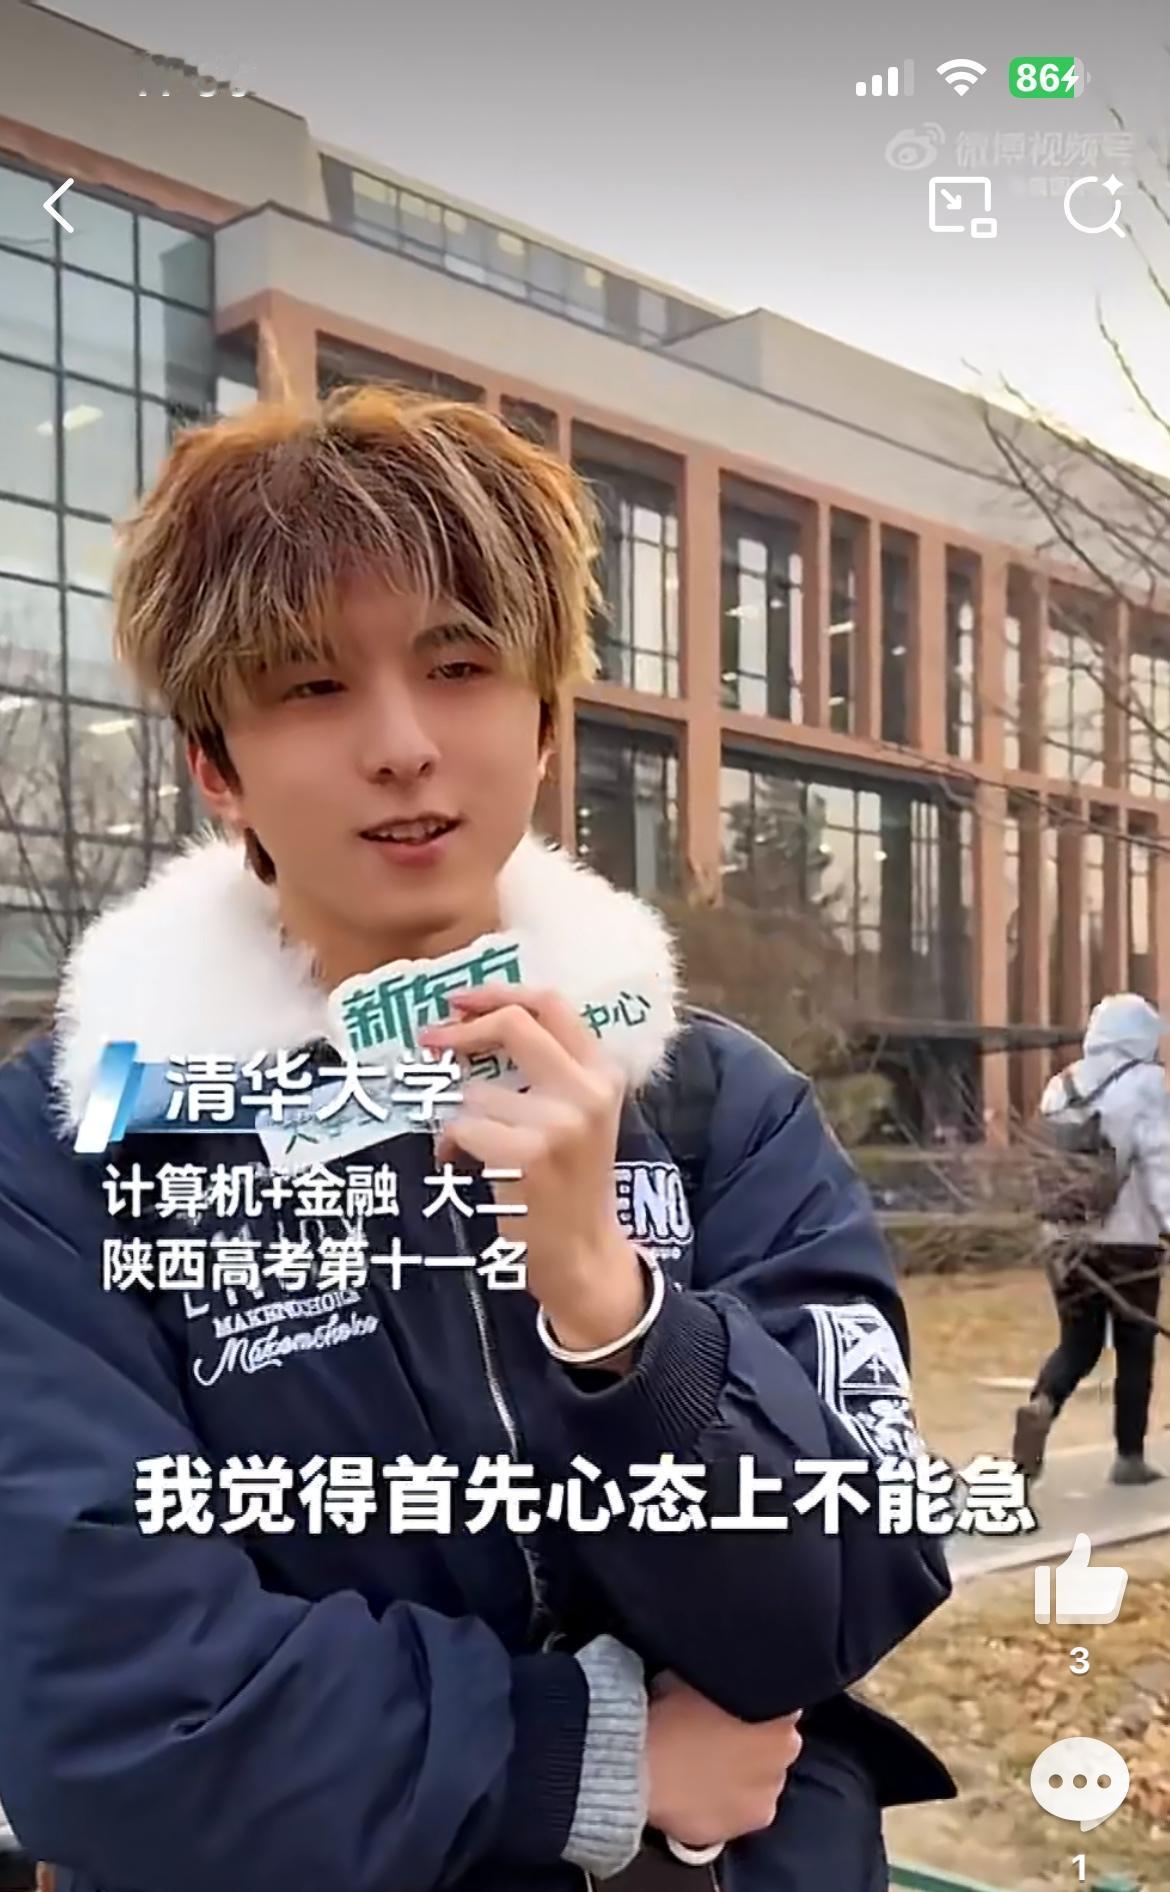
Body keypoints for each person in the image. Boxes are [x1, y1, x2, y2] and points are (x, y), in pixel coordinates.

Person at [0, 385, 954, 1892]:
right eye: (310, 685)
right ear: (215, 762)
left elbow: (843, 1596)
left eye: (458, 668)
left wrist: (617, 1316)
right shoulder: (77, 1155)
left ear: (545, 719)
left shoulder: (714, 1105)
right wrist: (590, 1755)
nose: (401, 747)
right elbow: (110, 1707)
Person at [1014, 992, 1170, 1487]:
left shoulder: (1061, 1085)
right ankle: (1129, 1458)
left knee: (1078, 1343)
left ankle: (1043, 1402)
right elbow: (1161, 1165)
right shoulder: (1147, 1084)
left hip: (1063, 1240)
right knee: (1134, 1347)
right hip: (1130, 1241)